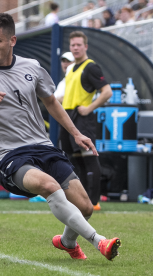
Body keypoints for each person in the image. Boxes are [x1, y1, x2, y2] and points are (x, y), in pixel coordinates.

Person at [0, 13, 121, 261]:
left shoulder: (32, 67)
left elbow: (52, 102)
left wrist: (76, 133)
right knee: (48, 186)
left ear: (12, 40)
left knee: (86, 207)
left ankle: (67, 242)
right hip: (8, 156)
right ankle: (99, 242)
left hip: (42, 147)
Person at [59, 31, 112, 211]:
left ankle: (94, 201)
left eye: (78, 45)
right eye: (72, 45)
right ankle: (81, 200)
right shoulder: (71, 68)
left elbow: (107, 92)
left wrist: (89, 108)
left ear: (85, 47)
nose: (75, 48)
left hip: (82, 118)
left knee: (89, 159)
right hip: (67, 118)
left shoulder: (91, 67)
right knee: (74, 162)